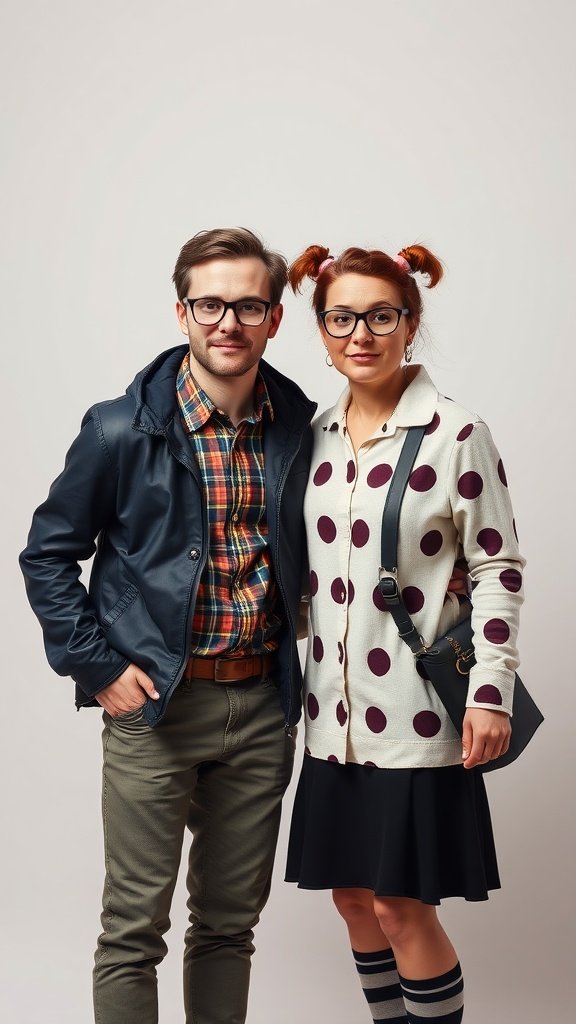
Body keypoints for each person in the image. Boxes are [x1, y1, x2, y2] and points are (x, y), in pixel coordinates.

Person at [19, 228, 317, 1024]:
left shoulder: (303, 427)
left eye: (249, 304)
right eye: (211, 303)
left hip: (261, 708)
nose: (230, 321)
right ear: (182, 311)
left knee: (227, 928)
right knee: (132, 933)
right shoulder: (121, 428)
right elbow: (47, 557)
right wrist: (99, 668)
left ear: (274, 318)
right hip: (155, 707)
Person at [285, 242, 524, 1024]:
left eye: (381, 315)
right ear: (320, 330)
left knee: (400, 909)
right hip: (332, 720)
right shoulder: (311, 436)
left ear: (410, 323)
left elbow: (497, 567)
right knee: (354, 901)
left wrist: (489, 694)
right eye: (342, 317)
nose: (362, 333)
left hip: (417, 716)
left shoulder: (456, 434)